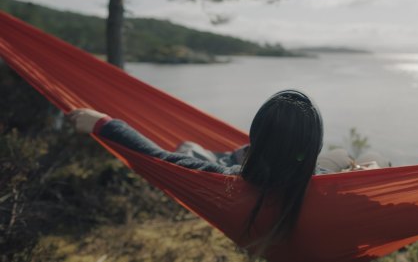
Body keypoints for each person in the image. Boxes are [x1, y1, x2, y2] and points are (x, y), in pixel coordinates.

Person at [69, 89, 388, 254]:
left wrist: (103, 123)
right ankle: (359, 161)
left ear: (256, 138)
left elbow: (156, 156)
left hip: (247, 167)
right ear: (312, 143)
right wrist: (372, 173)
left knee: (191, 148)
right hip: (307, 174)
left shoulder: (226, 182)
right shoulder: (329, 188)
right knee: (356, 155)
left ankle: (244, 151)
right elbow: (410, 205)